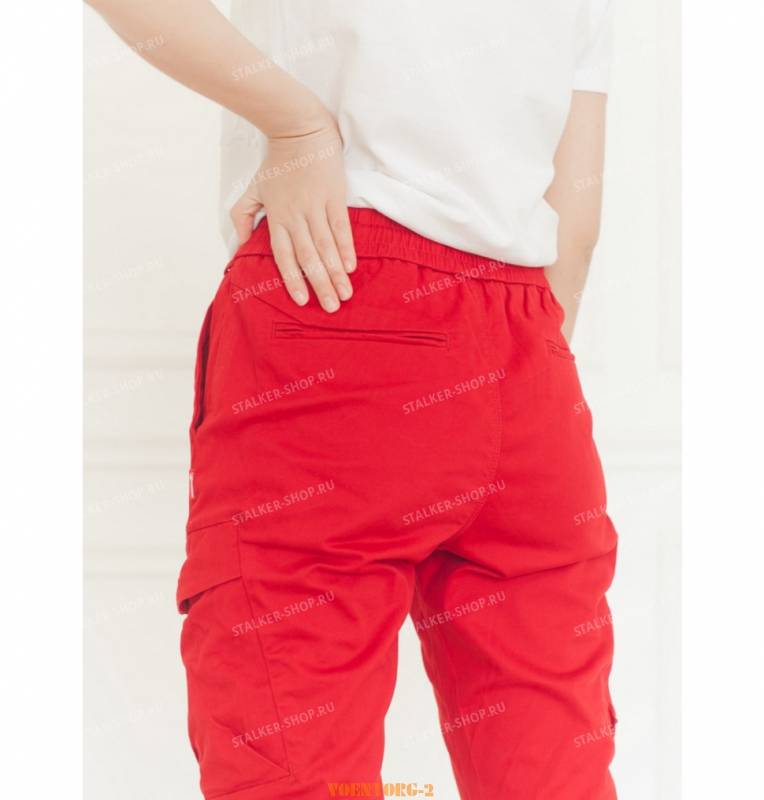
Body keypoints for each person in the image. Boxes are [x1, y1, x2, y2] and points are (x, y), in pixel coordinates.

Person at [87, 1, 619, 798]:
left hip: (334, 290)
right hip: (530, 352)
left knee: (293, 762)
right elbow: (575, 224)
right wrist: (517, 355)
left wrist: (297, 125)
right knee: (551, 765)